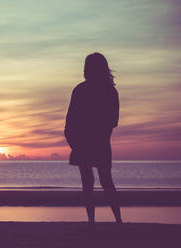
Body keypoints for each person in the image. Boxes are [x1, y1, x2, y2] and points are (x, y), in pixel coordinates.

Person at [64, 52, 122, 225]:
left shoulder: (104, 91)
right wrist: (72, 139)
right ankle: (108, 222)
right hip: (89, 142)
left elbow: (111, 121)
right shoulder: (92, 90)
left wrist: (75, 139)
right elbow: (71, 119)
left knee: (97, 182)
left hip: (93, 142)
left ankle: (108, 222)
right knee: (100, 182)